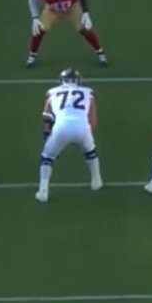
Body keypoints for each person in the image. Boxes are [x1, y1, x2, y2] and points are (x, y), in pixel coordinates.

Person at [36, 67, 102, 202]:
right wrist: (89, 135)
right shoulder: (88, 93)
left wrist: (47, 135)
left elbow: (46, 116)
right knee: (90, 152)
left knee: (47, 157)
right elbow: (92, 118)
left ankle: (43, 191)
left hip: (61, 128)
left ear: (62, 80)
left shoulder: (52, 93)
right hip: (82, 127)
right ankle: (96, 181)